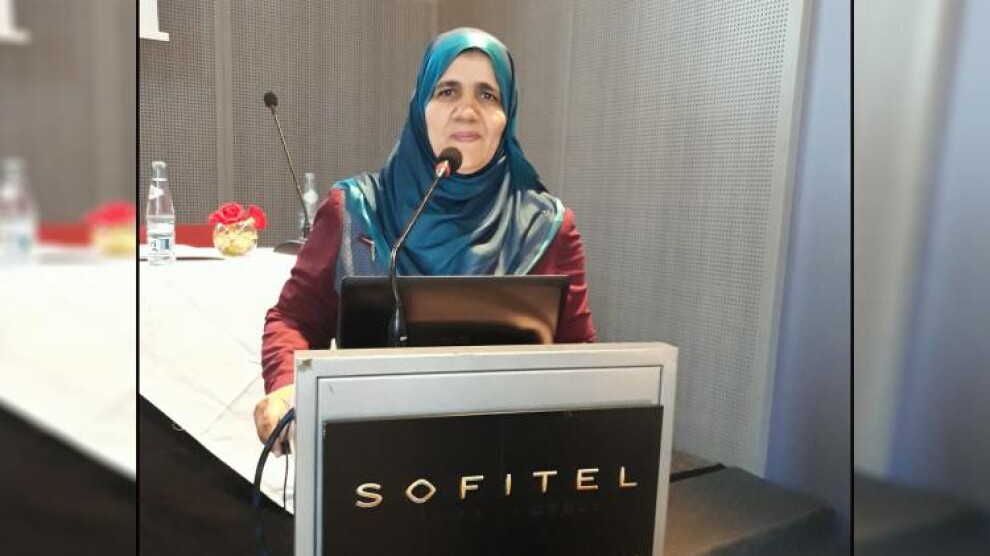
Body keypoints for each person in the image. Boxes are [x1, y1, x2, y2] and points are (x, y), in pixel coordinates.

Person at [254, 27, 596, 451]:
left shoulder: (547, 228)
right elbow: (295, 319)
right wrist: (287, 386)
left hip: (505, 462)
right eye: (447, 91)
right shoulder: (356, 210)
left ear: (507, 114)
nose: (467, 111)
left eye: (487, 95)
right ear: (421, 107)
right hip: (372, 459)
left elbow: (581, 359)